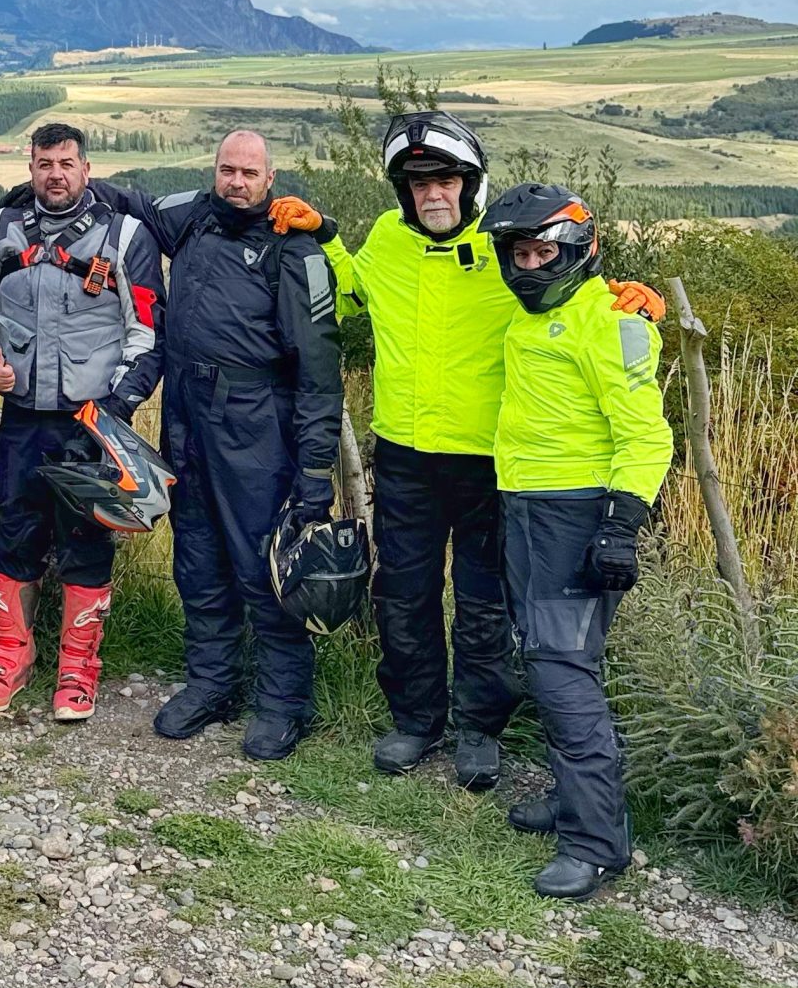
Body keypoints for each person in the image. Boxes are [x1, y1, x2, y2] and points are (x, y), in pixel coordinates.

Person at [270, 112, 517, 789]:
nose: (432, 195)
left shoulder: (503, 243)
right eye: (418, 185)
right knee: (403, 596)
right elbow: (352, 295)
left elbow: (562, 291)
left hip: (486, 460)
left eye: (446, 182)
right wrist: (325, 236)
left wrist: (622, 308)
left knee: (483, 603)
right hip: (405, 456)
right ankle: (417, 721)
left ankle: (479, 730)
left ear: (470, 185)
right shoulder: (387, 236)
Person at [479, 185, 670, 900]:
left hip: (578, 513)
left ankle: (596, 843)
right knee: (545, 657)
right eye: (518, 255)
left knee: (562, 669)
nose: (528, 267)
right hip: (525, 505)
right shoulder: (527, 314)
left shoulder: (614, 321)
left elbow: (647, 435)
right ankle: (573, 800)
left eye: (542, 253)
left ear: (578, 252)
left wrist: (621, 525)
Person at [0, 120, 165, 722]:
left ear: (86, 169)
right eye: (44, 163)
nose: (55, 175)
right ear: (30, 168)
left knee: (87, 540)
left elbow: (147, 336)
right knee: (14, 533)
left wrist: (114, 411)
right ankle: (11, 657)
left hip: (92, 421)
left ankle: (78, 668)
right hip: (22, 417)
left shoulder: (125, 236)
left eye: (66, 163)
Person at [149, 129, 342, 761]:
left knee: (264, 564)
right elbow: (129, 204)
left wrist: (316, 468)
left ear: (270, 178)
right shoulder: (195, 222)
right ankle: (213, 683)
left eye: (249, 173)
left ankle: (283, 702)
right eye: (227, 170)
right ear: (215, 171)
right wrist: (29, 195)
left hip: (256, 422)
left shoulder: (297, 249)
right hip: (185, 413)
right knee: (197, 557)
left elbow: (320, 372)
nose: (236, 182)